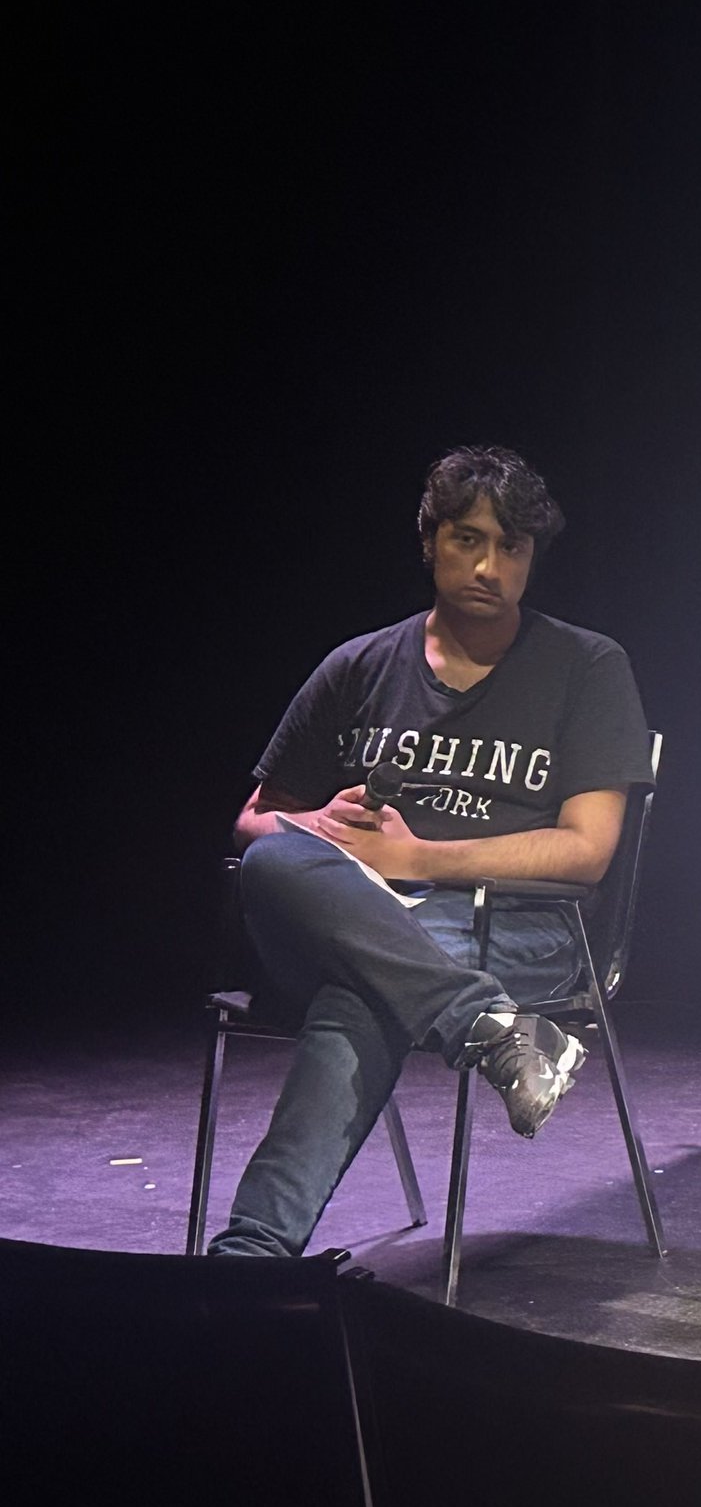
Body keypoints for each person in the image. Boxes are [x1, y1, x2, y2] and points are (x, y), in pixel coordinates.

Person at [207, 446, 653, 1259]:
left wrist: (417, 860)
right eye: (467, 539)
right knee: (274, 863)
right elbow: (252, 821)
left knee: (364, 989)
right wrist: (317, 827)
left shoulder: (587, 666)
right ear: (429, 540)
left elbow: (587, 853)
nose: (488, 565)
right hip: (360, 916)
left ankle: (251, 1257)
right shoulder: (360, 664)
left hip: (515, 925)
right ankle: (487, 1025)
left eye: (510, 547)